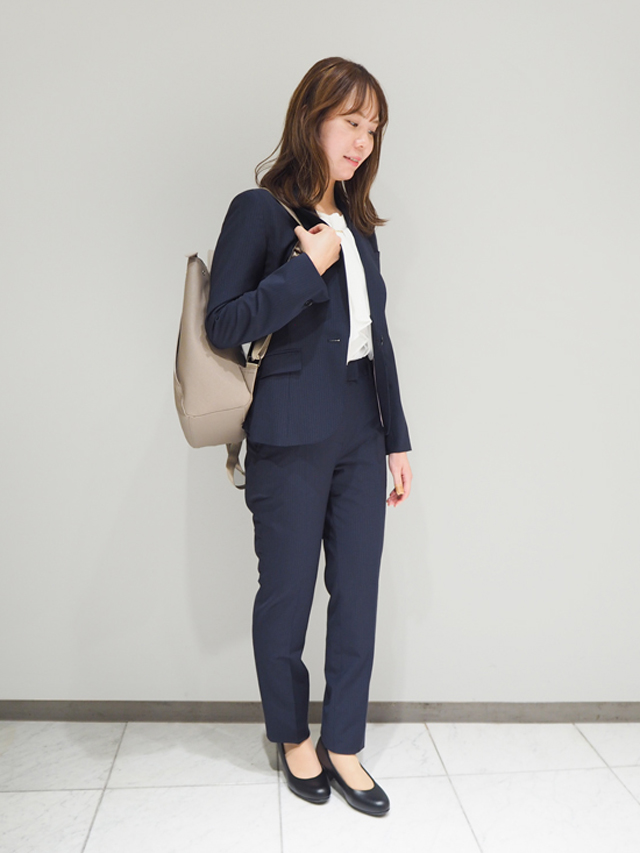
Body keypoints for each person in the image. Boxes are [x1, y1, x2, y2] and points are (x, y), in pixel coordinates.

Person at [205, 57, 412, 817]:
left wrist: (398, 438)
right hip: (289, 432)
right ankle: (292, 735)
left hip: (362, 429)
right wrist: (304, 269)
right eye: (351, 123)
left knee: (357, 592)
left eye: (373, 130)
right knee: (287, 595)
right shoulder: (260, 211)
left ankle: (345, 744)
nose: (362, 142)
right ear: (312, 117)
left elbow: (376, 337)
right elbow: (223, 323)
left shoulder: (360, 225)